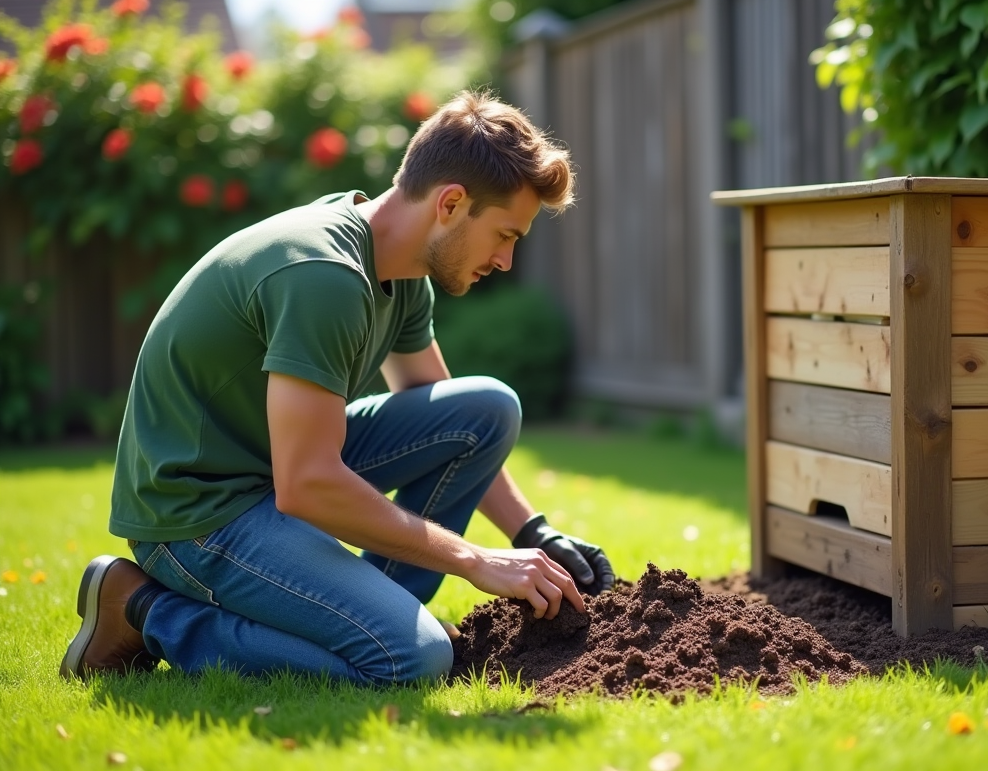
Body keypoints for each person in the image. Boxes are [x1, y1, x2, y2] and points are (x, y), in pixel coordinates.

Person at [60, 90, 615, 685]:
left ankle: (382, 611)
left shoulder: (400, 271)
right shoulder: (324, 275)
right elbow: (309, 486)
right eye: (505, 235)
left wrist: (533, 534)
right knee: (417, 661)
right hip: (197, 514)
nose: (505, 260)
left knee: (487, 410)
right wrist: (475, 560)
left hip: (271, 473)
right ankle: (146, 611)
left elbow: (453, 421)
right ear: (451, 203)